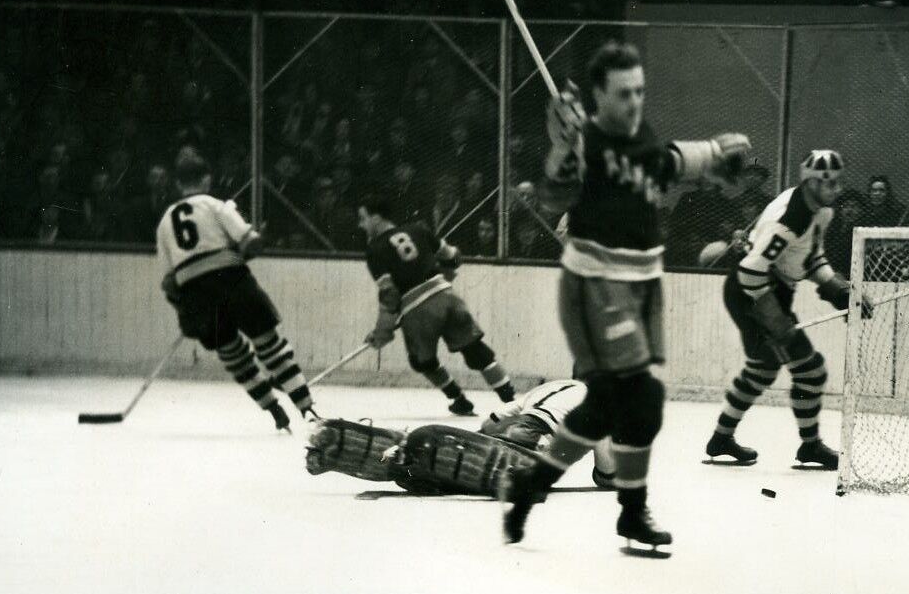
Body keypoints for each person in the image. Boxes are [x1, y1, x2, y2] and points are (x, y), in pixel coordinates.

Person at [500, 40, 752, 551]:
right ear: (599, 96)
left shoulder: (642, 138)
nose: (634, 103)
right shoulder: (584, 144)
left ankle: (534, 486)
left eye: (640, 92)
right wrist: (559, 150)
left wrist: (717, 156)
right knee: (638, 396)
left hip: (642, 287)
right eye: (623, 94)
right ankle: (630, 513)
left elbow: (667, 162)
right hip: (596, 287)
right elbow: (552, 197)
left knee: (631, 408)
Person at [706, 150, 868, 470]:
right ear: (810, 183)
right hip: (751, 291)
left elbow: (809, 259)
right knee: (811, 371)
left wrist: (837, 288)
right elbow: (751, 271)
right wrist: (776, 318)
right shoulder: (788, 220)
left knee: (763, 368)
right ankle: (809, 447)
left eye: (838, 182)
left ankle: (721, 438)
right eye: (829, 183)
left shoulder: (820, 211)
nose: (836, 189)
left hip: (766, 287)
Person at [156, 152, 319, 432]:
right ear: (206, 178)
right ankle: (308, 411)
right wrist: (245, 246)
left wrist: (186, 308)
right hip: (231, 281)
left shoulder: (165, 222)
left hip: (195, 295)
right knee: (270, 346)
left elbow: (170, 282)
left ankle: (274, 410)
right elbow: (252, 243)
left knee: (233, 354)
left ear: (178, 184)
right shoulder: (215, 205)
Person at [305, 379, 616, 496]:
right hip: (539, 445)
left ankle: (340, 443)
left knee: (463, 453)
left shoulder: (553, 386)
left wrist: (473, 439)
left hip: (519, 426)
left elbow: (495, 420)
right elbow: (606, 471)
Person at [358, 194, 516, 417]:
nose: (361, 224)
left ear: (376, 217)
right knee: (476, 351)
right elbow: (452, 256)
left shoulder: (375, 250)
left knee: (422, 361)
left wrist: (382, 331)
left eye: (363, 218)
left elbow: (390, 295)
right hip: (447, 298)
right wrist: (446, 274)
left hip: (417, 312)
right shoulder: (418, 229)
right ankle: (512, 402)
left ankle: (459, 400)